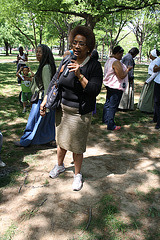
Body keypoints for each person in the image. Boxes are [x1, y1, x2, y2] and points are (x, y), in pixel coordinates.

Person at [40, 25, 103, 191]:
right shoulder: (67, 60)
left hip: (79, 113)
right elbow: (55, 80)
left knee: (76, 146)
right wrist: (46, 99)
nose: (76, 46)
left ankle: (77, 175)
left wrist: (79, 75)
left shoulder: (94, 66)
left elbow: (94, 90)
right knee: (61, 142)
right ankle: (59, 166)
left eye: (81, 43)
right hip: (62, 109)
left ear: (88, 47)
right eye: (75, 42)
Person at [14, 44, 57, 147]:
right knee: (45, 122)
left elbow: (47, 86)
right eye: (36, 51)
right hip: (44, 98)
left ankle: (26, 141)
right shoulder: (45, 65)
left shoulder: (46, 67)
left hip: (42, 99)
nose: (37, 54)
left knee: (33, 121)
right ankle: (48, 140)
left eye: (40, 52)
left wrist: (45, 104)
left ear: (45, 54)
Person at [102, 46, 133, 130]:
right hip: (115, 86)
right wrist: (127, 69)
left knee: (108, 103)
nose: (122, 56)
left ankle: (105, 120)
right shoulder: (116, 62)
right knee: (113, 106)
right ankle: (111, 124)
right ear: (117, 53)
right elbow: (121, 75)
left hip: (109, 85)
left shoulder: (109, 60)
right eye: (121, 54)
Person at [137, 49, 159, 113]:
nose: (149, 55)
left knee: (150, 94)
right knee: (146, 92)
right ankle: (143, 106)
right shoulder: (153, 61)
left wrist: (148, 80)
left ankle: (148, 108)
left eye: (150, 54)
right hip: (149, 77)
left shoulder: (157, 61)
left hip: (152, 79)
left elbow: (155, 73)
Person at [151, 54, 160, 129]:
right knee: (156, 102)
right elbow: (154, 69)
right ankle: (156, 118)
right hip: (158, 82)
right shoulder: (159, 59)